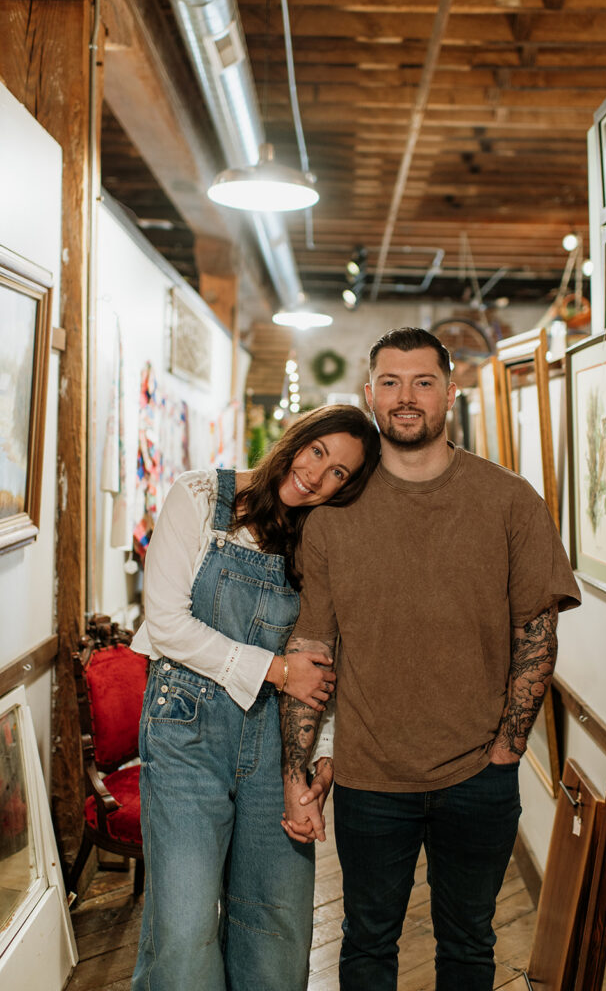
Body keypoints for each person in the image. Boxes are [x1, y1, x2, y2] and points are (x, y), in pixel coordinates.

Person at [280, 328, 582, 990]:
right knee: (367, 946)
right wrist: (299, 767)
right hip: (366, 777)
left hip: (478, 775)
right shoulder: (333, 516)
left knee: (470, 945)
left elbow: (537, 636)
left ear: (450, 391)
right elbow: (311, 649)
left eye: (422, 382)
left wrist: (507, 748)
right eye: (390, 382)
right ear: (370, 394)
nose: (405, 397)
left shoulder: (510, 501)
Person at [130, 404, 380, 991]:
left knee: (278, 926)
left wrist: (325, 750)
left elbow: (326, 654)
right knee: (185, 927)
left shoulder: (321, 537)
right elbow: (165, 624)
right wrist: (274, 669)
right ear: (297, 440)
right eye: (318, 452)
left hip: (277, 744)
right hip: (184, 732)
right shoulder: (199, 497)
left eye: (340, 473)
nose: (318, 476)